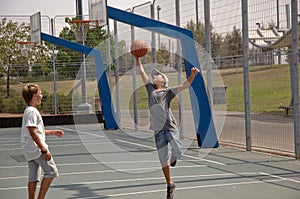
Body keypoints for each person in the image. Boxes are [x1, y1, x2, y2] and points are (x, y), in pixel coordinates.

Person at [135, 57, 199, 199]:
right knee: (163, 160)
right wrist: (137, 58)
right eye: (153, 75)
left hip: (170, 127)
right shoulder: (150, 88)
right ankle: (170, 184)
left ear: (163, 81)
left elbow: (185, 86)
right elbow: (141, 71)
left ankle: (175, 155)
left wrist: (193, 75)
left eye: (157, 75)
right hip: (157, 130)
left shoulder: (168, 92)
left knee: (177, 148)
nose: (154, 76)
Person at [21, 84, 64, 199]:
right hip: (36, 149)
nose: (41, 96)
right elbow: (32, 132)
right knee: (51, 172)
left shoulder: (29, 111)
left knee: (33, 176)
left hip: (29, 150)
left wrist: (52, 132)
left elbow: (37, 131)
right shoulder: (32, 111)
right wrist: (44, 150)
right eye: (40, 93)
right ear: (34, 96)